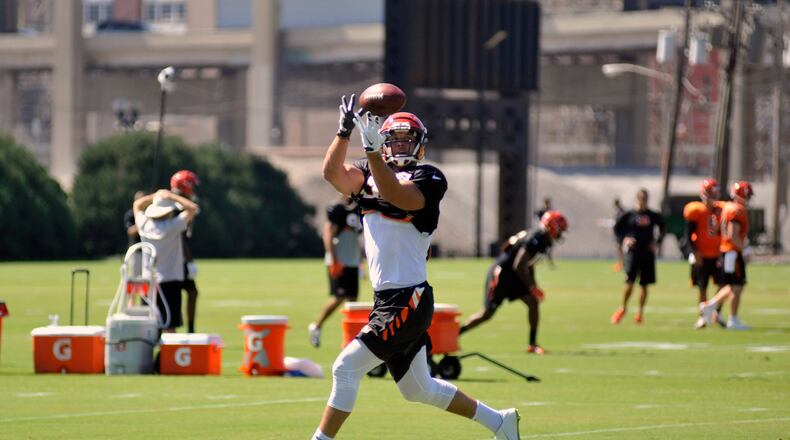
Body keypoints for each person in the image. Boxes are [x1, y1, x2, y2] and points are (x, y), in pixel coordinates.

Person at [314, 95, 520, 440]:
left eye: (406, 140)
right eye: (393, 140)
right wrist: (344, 131)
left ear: (421, 145)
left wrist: (373, 151)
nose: (398, 146)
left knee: (345, 368)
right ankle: (500, 422)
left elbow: (397, 194)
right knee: (418, 389)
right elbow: (331, 173)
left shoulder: (429, 177)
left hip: (407, 297)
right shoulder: (368, 172)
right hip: (389, 298)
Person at [459, 211, 568, 355]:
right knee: (487, 314)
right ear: (552, 227)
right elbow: (519, 264)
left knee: (533, 302)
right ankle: (454, 334)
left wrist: (533, 286)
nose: (561, 234)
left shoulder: (544, 238)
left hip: (515, 274)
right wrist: (531, 286)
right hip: (503, 274)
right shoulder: (536, 238)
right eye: (560, 229)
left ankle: (532, 344)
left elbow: (528, 265)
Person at [133, 189, 198, 333]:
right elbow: (192, 208)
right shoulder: (173, 226)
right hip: (170, 281)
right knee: (170, 326)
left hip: (148, 282)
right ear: (168, 212)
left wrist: (154, 196)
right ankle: (166, 355)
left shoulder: (144, 225)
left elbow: (137, 205)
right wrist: (171, 196)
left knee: (150, 326)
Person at [308, 196, 364, 348]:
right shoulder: (338, 208)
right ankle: (316, 326)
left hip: (351, 260)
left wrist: (360, 261)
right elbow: (328, 233)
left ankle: (352, 339)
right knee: (339, 297)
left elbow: (354, 238)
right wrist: (334, 260)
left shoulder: (359, 207)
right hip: (339, 261)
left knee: (353, 301)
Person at [701, 181, 753, 330]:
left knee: (734, 285)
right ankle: (731, 318)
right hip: (732, 251)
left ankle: (712, 306)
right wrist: (745, 248)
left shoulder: (728, 207)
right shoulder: (736, 210)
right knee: (736, 286)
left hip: (727, 250)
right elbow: (732, 234)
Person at [611, 188, 665, 325]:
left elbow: (663, 227)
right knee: (629, 282)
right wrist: (624, 239)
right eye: (641, 198)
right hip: (633, 252)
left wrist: (657, 242)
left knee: (644, 285)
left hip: (647, 252)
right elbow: (617, 229)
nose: (643, 201)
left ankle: (640, 312)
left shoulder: (652, 215)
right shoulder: (629, 214)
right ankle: (623, 308)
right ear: (637, 199)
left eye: (645, 199)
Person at [682, 179, 726, 329]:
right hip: (701, 255)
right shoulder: (696, 210)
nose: (711, 198)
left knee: (724, 284)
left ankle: (716, 312)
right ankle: (703, 317)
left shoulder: (722, 209)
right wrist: (694, 252)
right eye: (709, 194)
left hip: (718, 254)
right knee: (702, 287)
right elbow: (688, 234)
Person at [170, 170, 201, 333]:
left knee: (192, 293)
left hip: (176, 258)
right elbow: (180, 237)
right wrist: (188, 261)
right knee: (176, 297)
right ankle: (187, 329)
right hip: (173, 260)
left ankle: (189, 329)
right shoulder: (174, 207)